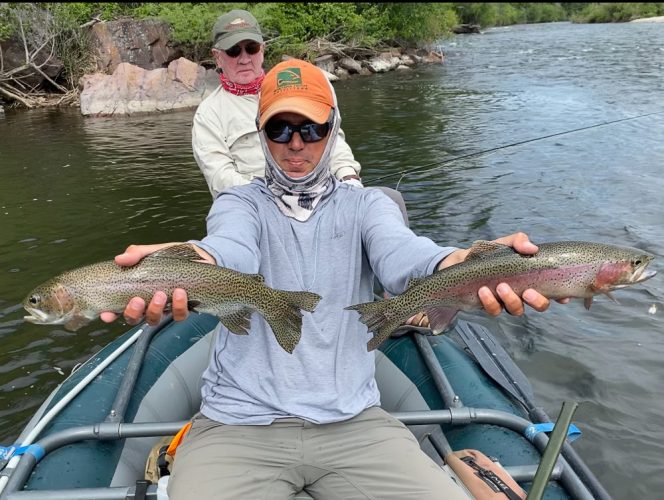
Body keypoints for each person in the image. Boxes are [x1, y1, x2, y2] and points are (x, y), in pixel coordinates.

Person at [102, 59, 562, 499]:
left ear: (332, 130)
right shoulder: (238, 204)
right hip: (236, 425)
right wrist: (195, 263)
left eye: (311, 129)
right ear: (262, 135)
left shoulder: (367, 206)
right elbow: (230, 248)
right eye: (279, 129)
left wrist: (461, 263)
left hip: (355, 423)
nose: (295, 144)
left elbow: (405, 255)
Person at [192, 9, 362, 199]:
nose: (245, 58)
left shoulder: (303, 85)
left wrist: (349, 176)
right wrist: (279, 196)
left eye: (252, 48)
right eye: (233, 51)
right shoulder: (207, 114)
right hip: (256, 208)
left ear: (262, 50)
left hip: (322, 196)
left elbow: (333, 139)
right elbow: (220, 178)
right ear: (217, 57)